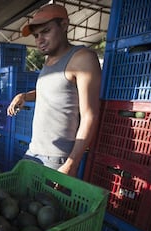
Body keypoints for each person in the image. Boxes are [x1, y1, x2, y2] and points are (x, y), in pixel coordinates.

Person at [7, 3, 101, 177]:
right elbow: (54, 93)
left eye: (46, 31)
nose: (39, 40)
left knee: (44, 204)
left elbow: (90, 116)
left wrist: (72, 164)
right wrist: (25, 96)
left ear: (64, 25)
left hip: (57, 159)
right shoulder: (48, 60)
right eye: (36, 35)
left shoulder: (82, 58)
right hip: (34, 150)